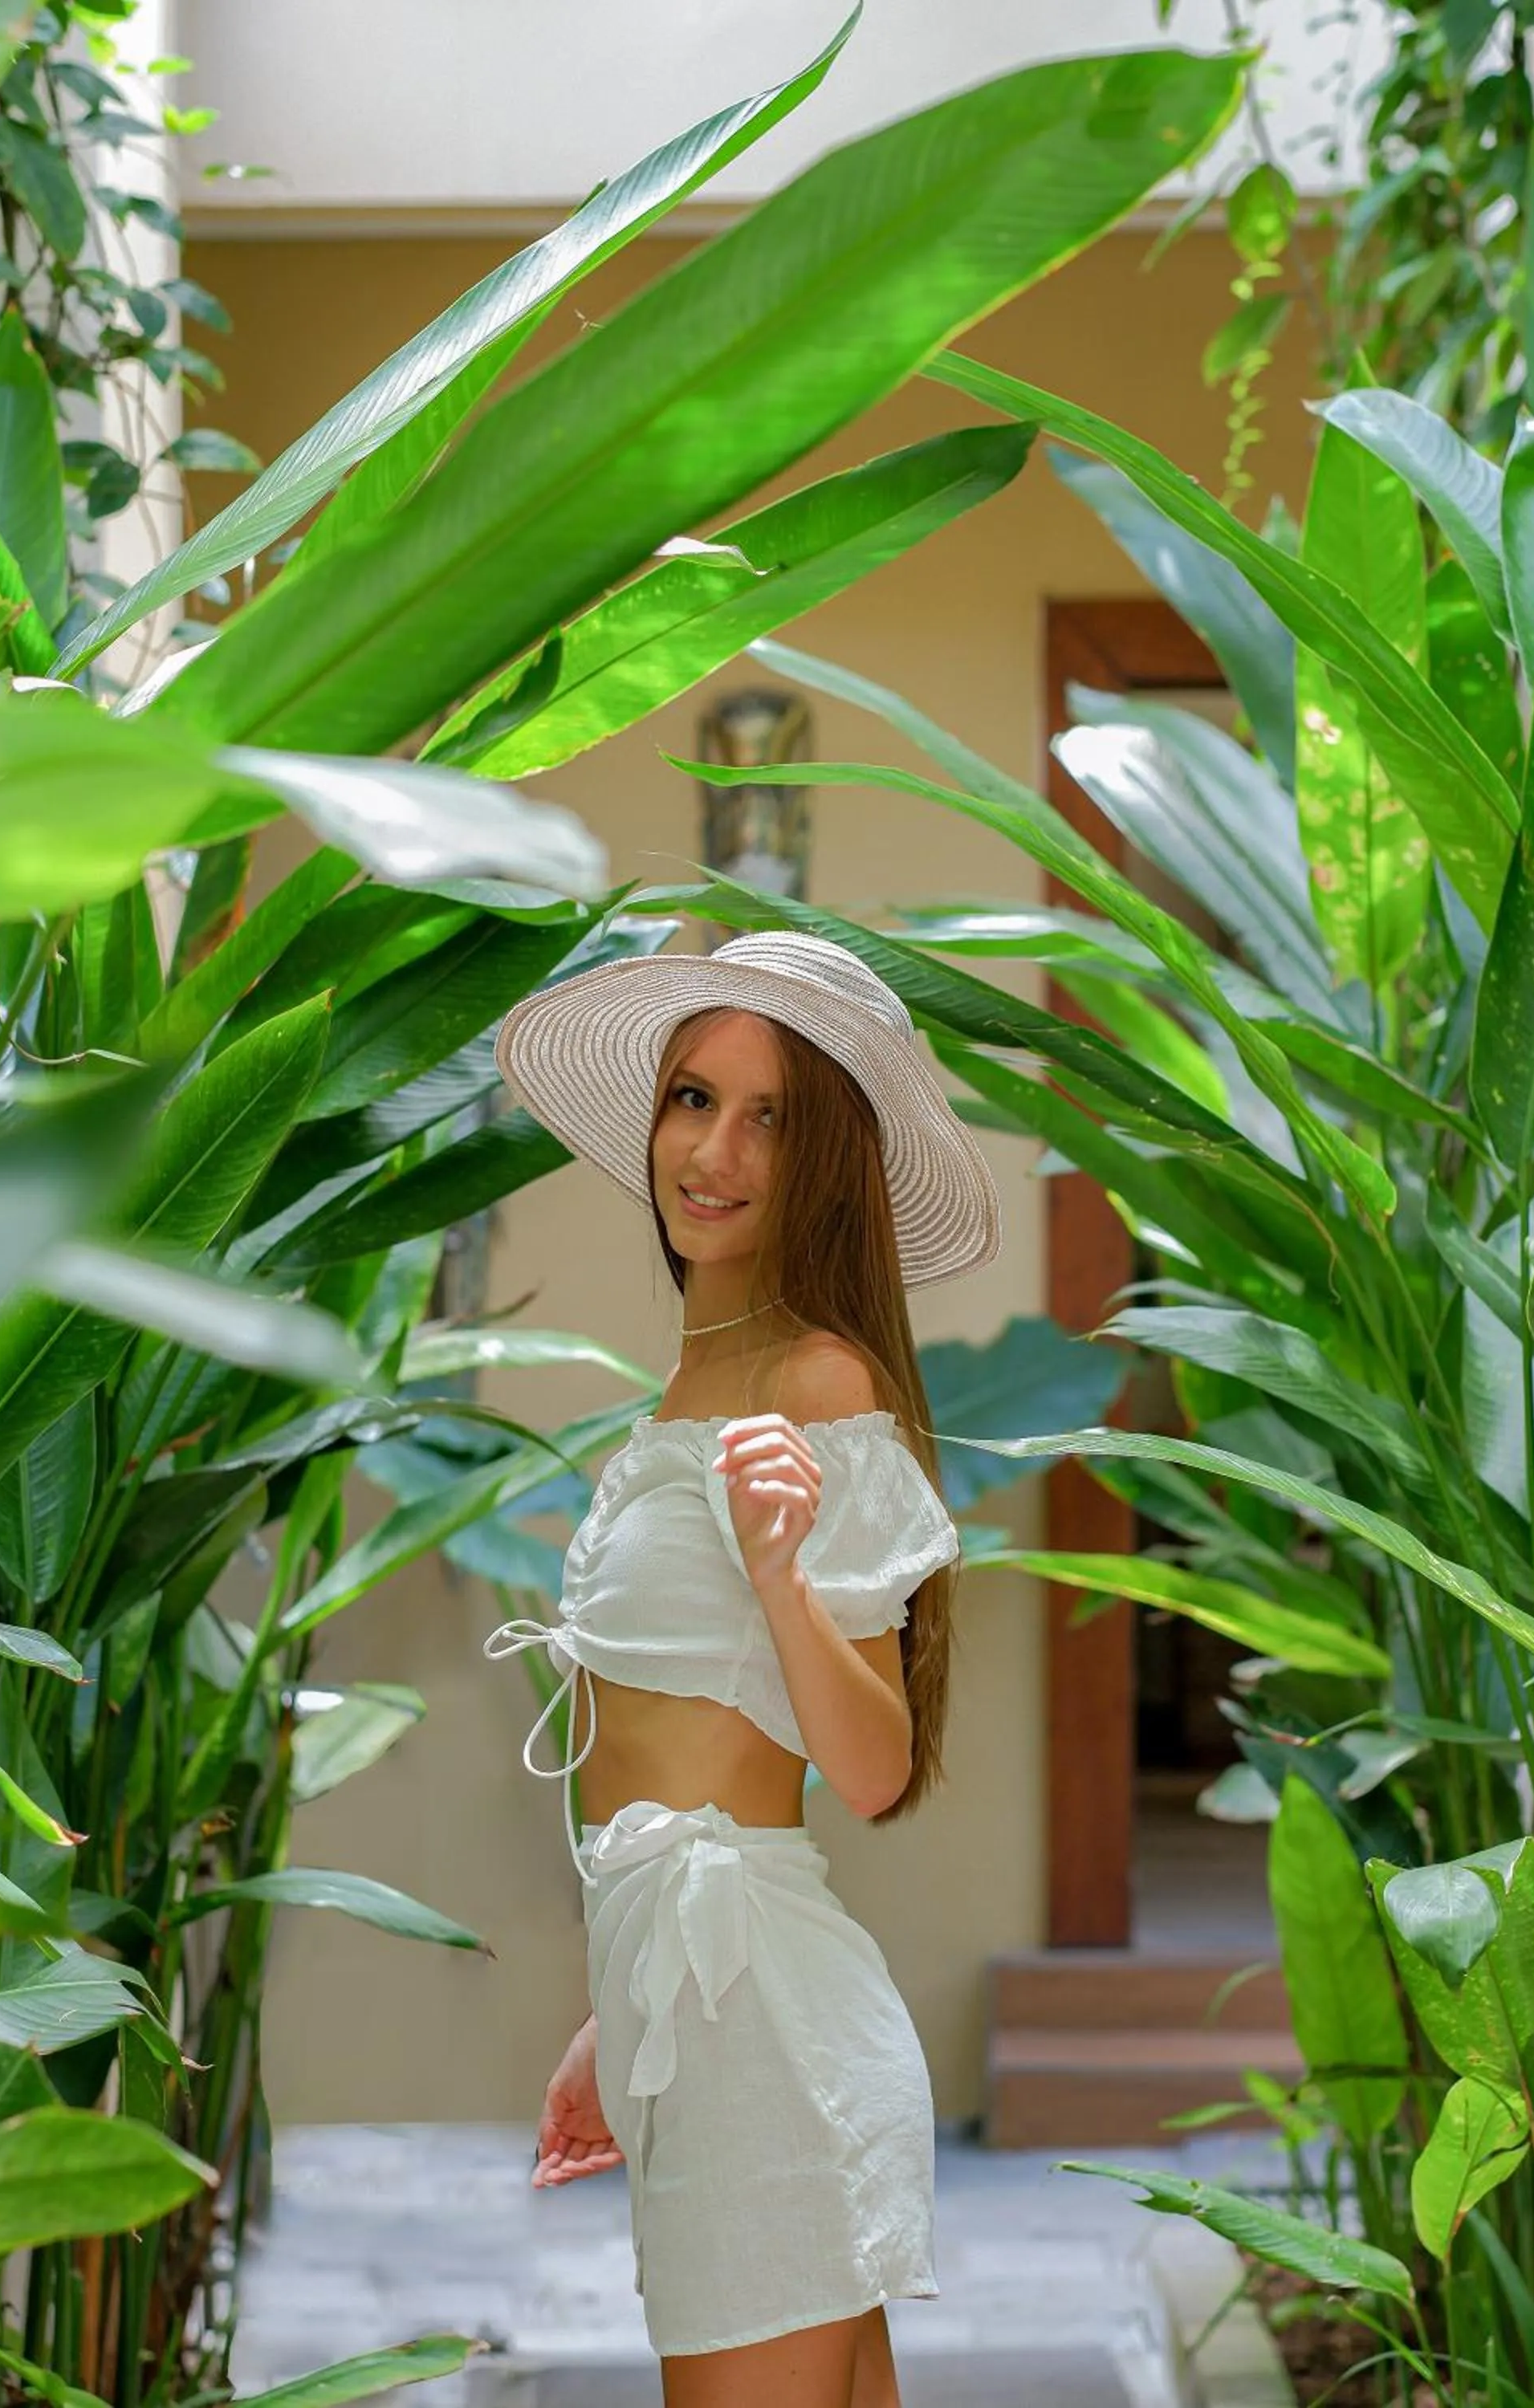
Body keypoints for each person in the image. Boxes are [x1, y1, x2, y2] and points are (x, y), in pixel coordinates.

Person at [483, 930, 1001, 2408]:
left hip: (768, 2030)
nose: (713, 1150)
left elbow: (874, 1766)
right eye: (692, 1097)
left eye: (769, 1116)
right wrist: (617, 2012)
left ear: (826, 1157)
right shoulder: (684, 1394)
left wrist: (783, 1575)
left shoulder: (813, 1381)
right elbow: (681, 1749)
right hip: (703, 2010)